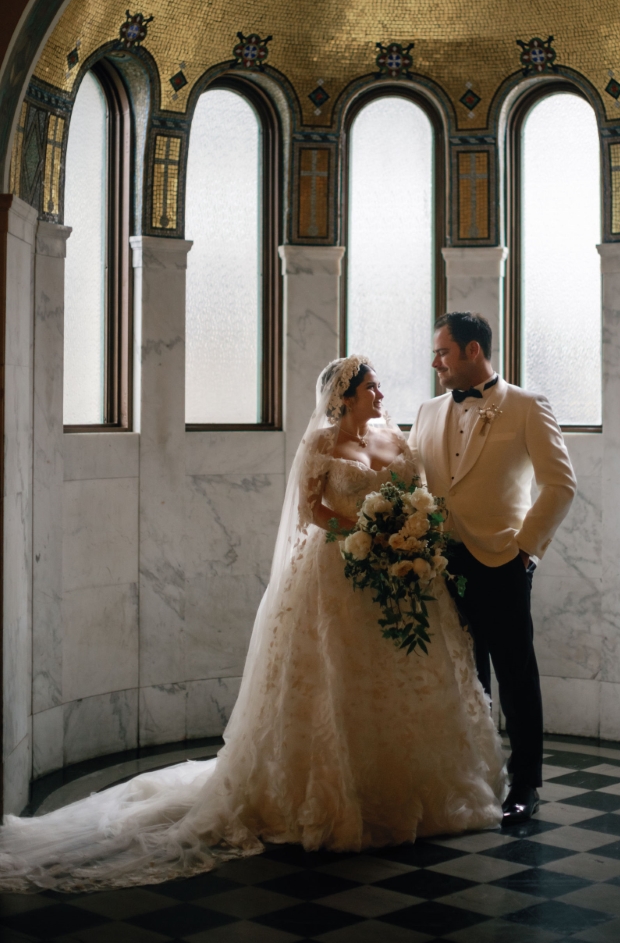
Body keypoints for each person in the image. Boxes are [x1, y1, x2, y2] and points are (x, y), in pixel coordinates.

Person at [0, 357, 504, 893]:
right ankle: (336, 793)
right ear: (345, 395)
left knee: (404, 680)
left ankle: (411, 793)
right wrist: (366, 532)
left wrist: (407, 532)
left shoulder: (396, 439)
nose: (381, 393)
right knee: (339, 679)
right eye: (371, 386)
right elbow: (311, 508)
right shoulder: (321, 443)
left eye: (379, 385)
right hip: (339, 569)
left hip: (400, 573)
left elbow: (419, 493)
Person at [409, 312, 576, 823]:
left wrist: (526, 549)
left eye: (443, 352)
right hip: (440, 561)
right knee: (463, 677)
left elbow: (560, 484)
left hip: (503, 560)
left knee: (515, 677)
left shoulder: (527, 406)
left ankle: (524, 785)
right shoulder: (426, 410)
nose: (435, 361)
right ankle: (473, 777)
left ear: (473, 351)